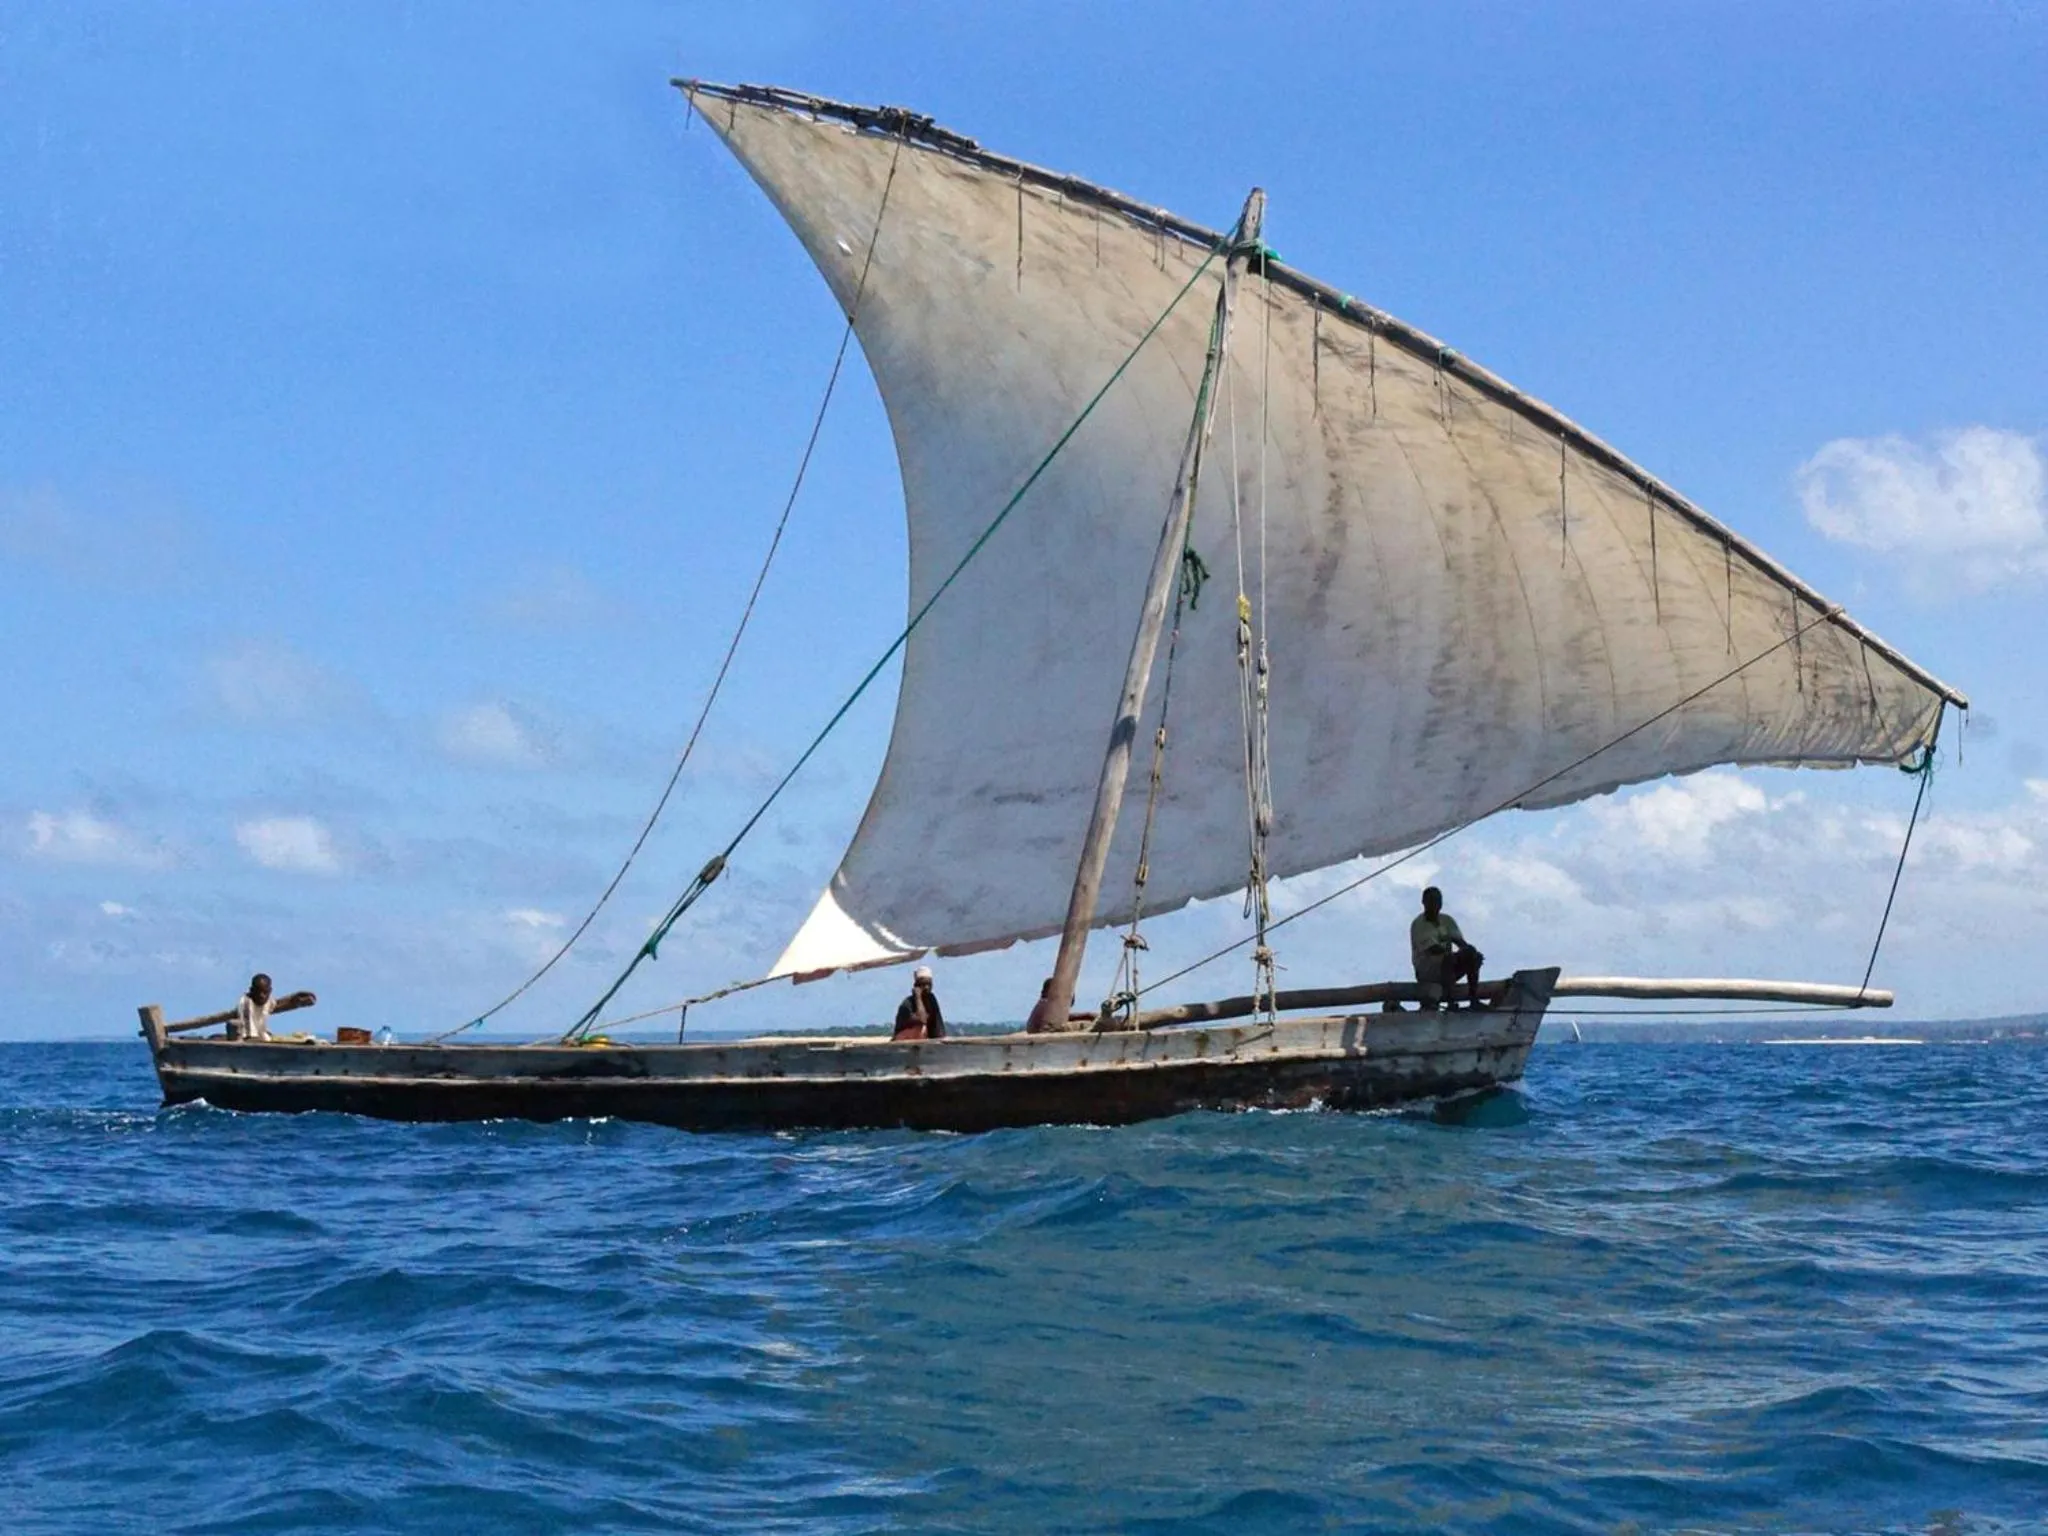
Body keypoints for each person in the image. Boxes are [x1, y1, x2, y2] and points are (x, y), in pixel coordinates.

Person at [1410, 887, 1484, 1010]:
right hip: (1427, 970)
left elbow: (1460, 942)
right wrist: (1456, 956)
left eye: (1438, 901)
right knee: (1448, 958)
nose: (1435, 905)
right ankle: (1451, 1001)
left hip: (1448, 967)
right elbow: (1433, 949)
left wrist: (1470, 952)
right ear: (1424, 902)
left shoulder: (1446, 920)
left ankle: (1473, 999)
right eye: (1431, 901)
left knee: (1472, 955)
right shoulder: (1419, 924)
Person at [228, 973, 317, 1041]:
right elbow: (249, 1037)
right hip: (249, 1040)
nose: (262, 996)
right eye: (258, 992)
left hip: (260, 1037)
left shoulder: (268, 1000)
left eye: (265, 992)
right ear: (251, 991)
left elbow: (278, 1004)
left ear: (270, 991)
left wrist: (296, 999)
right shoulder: (246, 1005)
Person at [892, 966, 947, 1041]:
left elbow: (938, 1028)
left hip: (922, 1043)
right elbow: (922, 1019)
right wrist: (918, 998)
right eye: (923, 984)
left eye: (929, 984)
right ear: (916, 986)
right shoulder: (907, 1004)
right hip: (903, 1043)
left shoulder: (931, 1000)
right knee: (919, 1027)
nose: (927, 987)